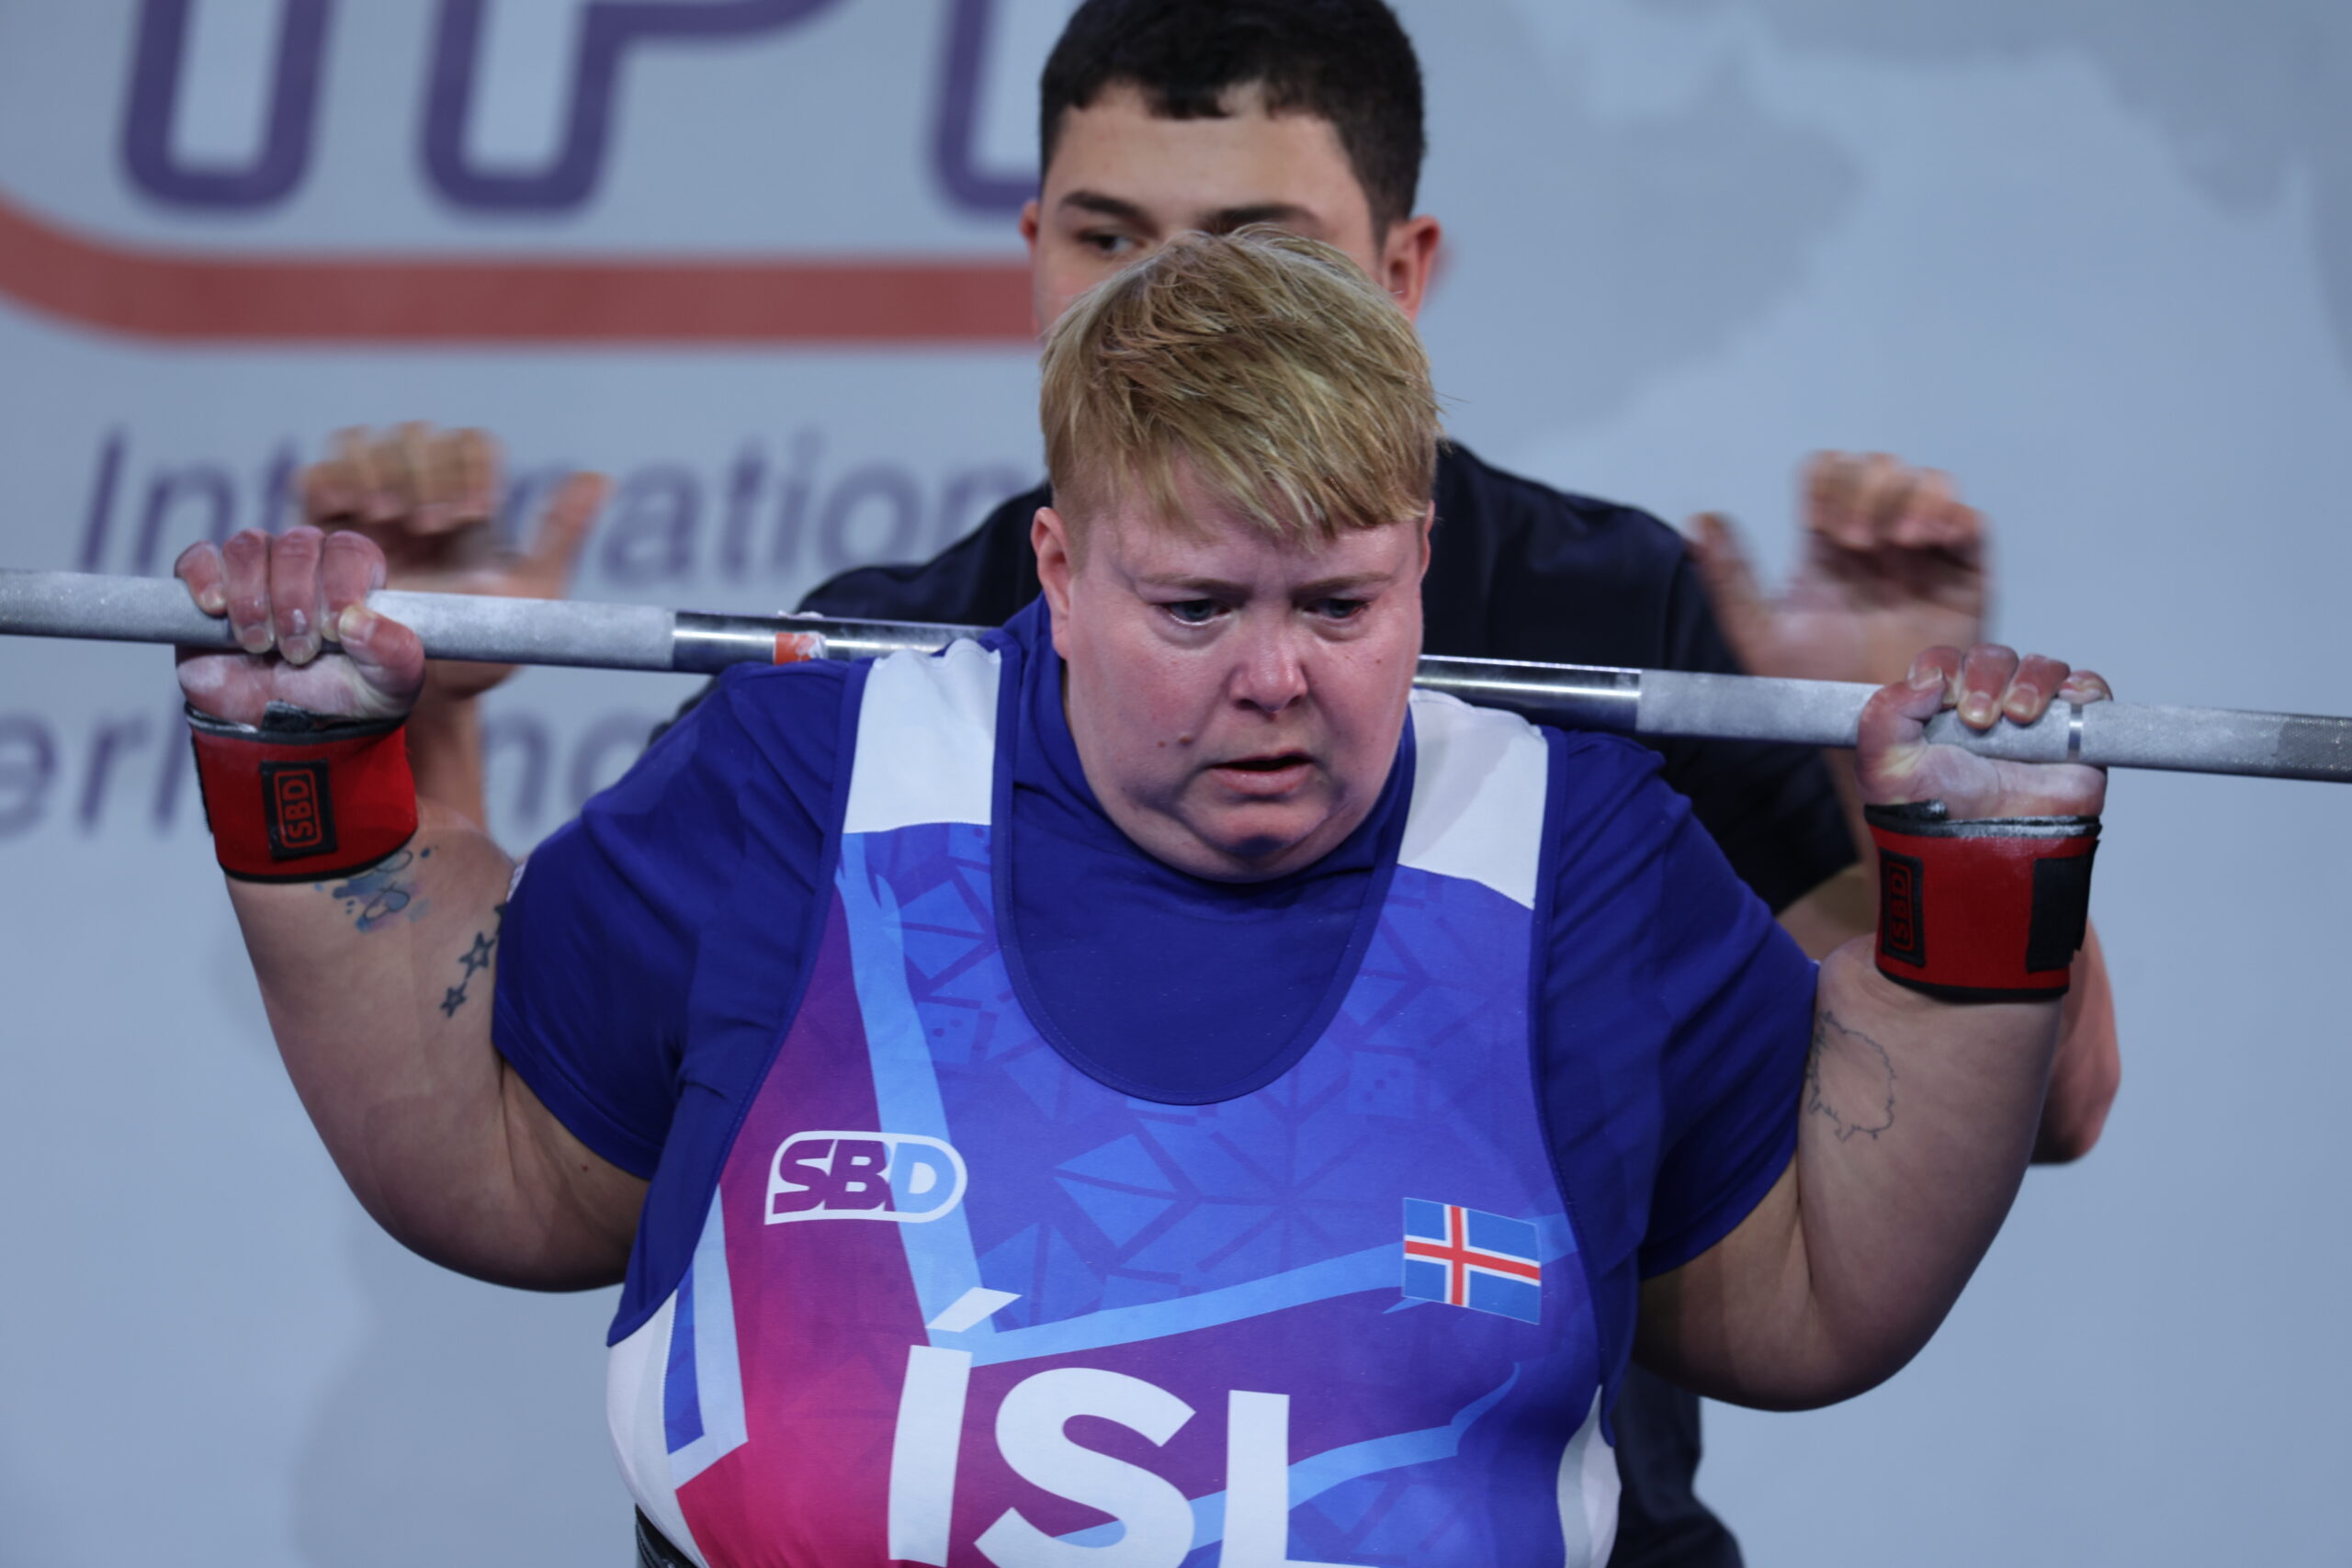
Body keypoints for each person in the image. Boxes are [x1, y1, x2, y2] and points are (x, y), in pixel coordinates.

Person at [290, 3, 2120, 1559]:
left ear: (1398, 282)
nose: (1271, 679)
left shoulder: (1600, 673)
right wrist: (369, 736)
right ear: (1058, 568)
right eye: (1113, 240)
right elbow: (553, 1130)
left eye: (1339, 605)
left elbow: (1956, 1130)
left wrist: (1958, 826)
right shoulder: (837, 706)